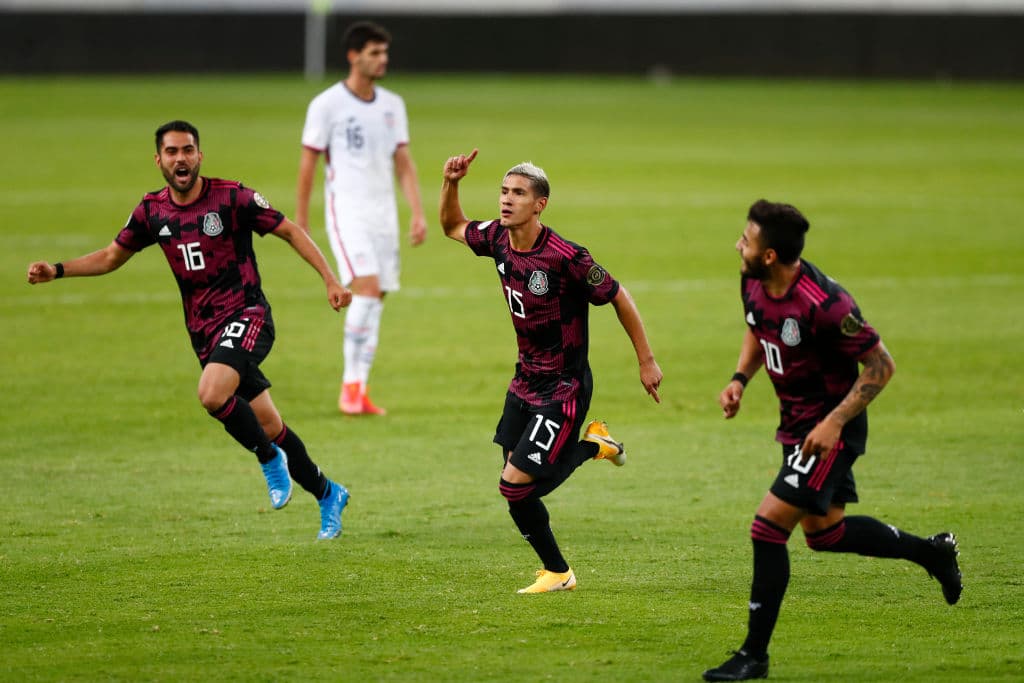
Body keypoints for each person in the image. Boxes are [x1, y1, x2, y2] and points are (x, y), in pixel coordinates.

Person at [27, 120, 354, 540]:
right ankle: (328, 493)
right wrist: (56, 270)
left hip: (248, 314)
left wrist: (330, 280)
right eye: (171, 152)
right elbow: (111, 257)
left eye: (187, 150)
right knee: (268, 422)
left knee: (212, 394)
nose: (180, 159)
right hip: (205, 333)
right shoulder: (151, 211)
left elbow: (289, 230)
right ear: (159, 160)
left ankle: (269, 459)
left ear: (200, 155)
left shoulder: (233, 198)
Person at [702, 199, 963, 681]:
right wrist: (740, 378)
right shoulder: (754, 280)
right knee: (825, 534)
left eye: (747, 240)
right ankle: (933, 553)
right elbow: (758, 327)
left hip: (829, 430)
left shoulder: (826, 305)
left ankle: (752, 656)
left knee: (767, 528)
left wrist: (834, 423)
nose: (737, 244)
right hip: (796, 425)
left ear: (770, 255)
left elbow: (882, 366)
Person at [440, 149, 663, 594]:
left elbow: (619, 296)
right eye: (504, 191)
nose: (506, 200)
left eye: (518, 193)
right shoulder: (497, 238)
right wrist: (452, 183)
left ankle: (591, 449)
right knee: (517, 484)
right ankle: (558, 573)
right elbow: (451, 226)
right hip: (524, 381)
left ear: (539, 204)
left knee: (514, 487)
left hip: (564, 387)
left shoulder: (567, 258)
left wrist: (645, 359)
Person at [296, 20, 427, 416]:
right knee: (366, 289)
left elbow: (403, 163)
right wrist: (301, 220)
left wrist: (417, 213)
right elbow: (308, 162)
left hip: (383, 212)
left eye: (384, 53)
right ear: (354, 56)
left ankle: (359, 387)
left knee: (377, 296)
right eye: (374, 52)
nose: (382, 59)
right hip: (347, 210)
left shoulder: (392, 105)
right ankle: (350, 389)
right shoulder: (327, 104)